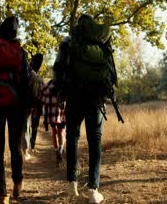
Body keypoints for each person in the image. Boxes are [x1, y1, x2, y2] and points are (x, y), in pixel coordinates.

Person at [53, 14, 116, 204]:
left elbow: (58, 68)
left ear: (78, 27)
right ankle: (93, 189)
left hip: (74, 96)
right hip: (96, 98)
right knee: (95, 140)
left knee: (72, 136)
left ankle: (72, 182)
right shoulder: (102, 41)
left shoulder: (69, 42)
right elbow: (112, 71)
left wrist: (59, 92)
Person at [0, 16, 31, 204]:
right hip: (16, 106)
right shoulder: (20, 52)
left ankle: (1, 194)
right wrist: (27, 105)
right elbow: (26, 80)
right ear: (15, 34)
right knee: (15, 146)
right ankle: (17, 183)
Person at [40, 79, 66, 166]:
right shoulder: (64, 84)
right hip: (61, 113)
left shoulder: (47, 85)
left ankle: (57, 152)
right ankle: (60, 150)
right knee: (61, 132)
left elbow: (42, 100)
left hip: (51, 114)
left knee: (54, 131)